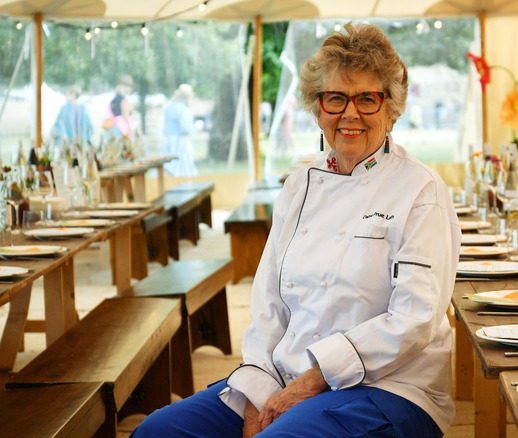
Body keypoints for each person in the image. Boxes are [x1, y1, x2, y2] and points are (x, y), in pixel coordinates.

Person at [131, 23, 459, 438]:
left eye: (367, 99)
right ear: (317, 106)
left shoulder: (420, 190)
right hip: (287, 374)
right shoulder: (298, 185)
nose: (350, 113)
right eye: (336, 98)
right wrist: (258, 393)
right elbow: (268, 303)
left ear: (391, 108)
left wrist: (313, 381)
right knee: (158, 432)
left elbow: (414, 319)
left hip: (390, 387)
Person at [162, 84, 198, 176]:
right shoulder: (183, 109)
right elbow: (186, 128)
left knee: (168, 166)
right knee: (180, 169)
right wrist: (197, 127)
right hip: (179, 143)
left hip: (167, 141)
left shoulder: (169, 106)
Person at [104, 74, 136, 141]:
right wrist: (130, 130)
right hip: (122, 129)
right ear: (125, 87)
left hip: (112, 128)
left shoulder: (113, 101)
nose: (131, 89)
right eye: (130, 86)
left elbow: (110, 114)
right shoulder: (124, 101)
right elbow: (125, 117)